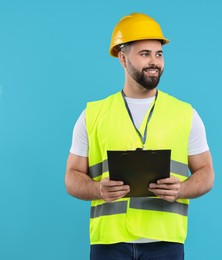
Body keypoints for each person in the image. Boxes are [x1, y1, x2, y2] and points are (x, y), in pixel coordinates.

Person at [64, 13, 214, 260]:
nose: (154, 61)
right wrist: (97, 189)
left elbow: (207, 173)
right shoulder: (92, 114)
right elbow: (71, 178)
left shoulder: (185, 114)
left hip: (166, 241)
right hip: (109, 242)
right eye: (144, 54)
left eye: (159, 54)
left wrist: (182, 189)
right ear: (123, 58)